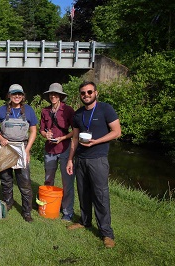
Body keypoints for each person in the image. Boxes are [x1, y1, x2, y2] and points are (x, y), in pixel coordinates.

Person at [66, 81, 121, 248]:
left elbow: (116, 132)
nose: (86, 95)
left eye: (89, 92)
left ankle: (107, 233)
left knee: (100, 195)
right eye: (83, 93)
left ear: (95, 92)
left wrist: (97, 141)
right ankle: (84, 221)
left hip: (98, 158)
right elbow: (74, 138)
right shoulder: (78, 114)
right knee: (83, 192)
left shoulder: (106, 109)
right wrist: (70, 159)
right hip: (80, 159)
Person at [0, 84, 38, 222]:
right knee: (6, 179)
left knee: (24, 181)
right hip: (5, 148)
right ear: (9, 96)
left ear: (23, 96)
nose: (17, 96)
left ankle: (27, 211)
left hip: (21, 147)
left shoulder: (28, 111)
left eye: (19, 94)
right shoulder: (2, 110)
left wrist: (27, 150)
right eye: (14, 94)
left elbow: (33, 131)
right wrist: (1, 139)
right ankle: (8, 203)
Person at [40, 83, 75, 221]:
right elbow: (42, 129)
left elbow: (75, 131)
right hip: (49, 149)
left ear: (60, 96)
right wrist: (45, 135)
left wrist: (63, 138)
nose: (53, 96)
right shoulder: (45, 111)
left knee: (67, 181)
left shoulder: (68, 110)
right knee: (48, 179)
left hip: (65, 149)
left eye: (55, 94)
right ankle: (49, 204)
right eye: (51, 94)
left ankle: (67, 211)